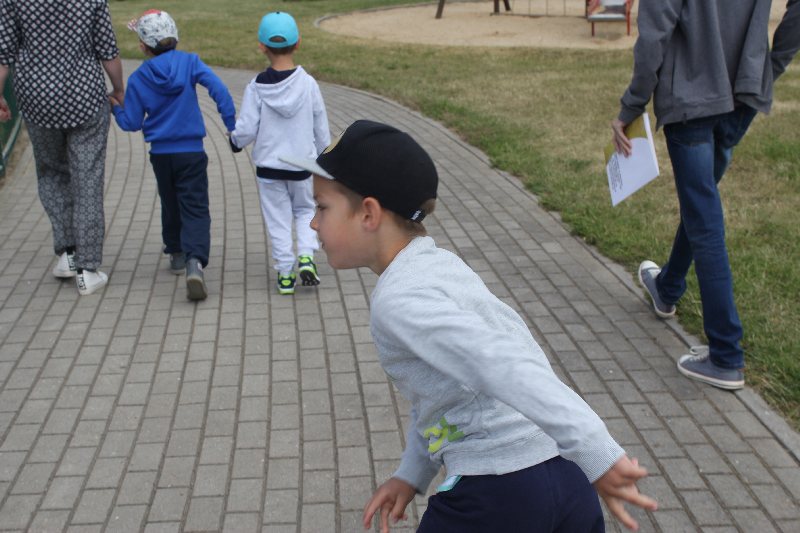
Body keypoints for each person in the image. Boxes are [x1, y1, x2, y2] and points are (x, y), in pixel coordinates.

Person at [282, 120, 657, 533]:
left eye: (321, 207)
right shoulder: (440, 266)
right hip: (566, 477)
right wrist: (411, 473)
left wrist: (598, 452)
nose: (313, 223)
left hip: (498, 494)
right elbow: (441, 394)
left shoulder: (399, 300)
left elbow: (502, 364)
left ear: (368, 213)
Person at [609, 0, 800, 391]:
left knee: (704, 218)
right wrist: (768, 67)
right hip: (742, 91)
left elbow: (654, 34)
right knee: (702, 206)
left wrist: (631, 105)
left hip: (693, 99)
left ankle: (726, 355)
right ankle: (667, 287)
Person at [0, 0, 125, 295]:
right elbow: (108, 50)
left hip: (37, 99)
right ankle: (87, 269)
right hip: (85, 96)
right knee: (87, 179)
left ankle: (67, 253)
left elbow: (3, 53)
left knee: (52, 173)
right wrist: (119, 88)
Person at [110, 10, 237, 301]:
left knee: (170, 202)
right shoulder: (190, 63)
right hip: (191, 151)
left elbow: (131, 123)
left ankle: (177, 253)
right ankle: (195, 261)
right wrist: (231, 125)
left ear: (143, 47)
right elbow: (219, 90)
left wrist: (115, 108)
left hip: (161, 155)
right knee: (195, 206)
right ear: (175, 37)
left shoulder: (139, 77)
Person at [230, 11, 330, 295]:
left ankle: (286, 274)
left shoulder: (256, 87)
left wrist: (236, 141)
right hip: (303, 166)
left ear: (261, 46)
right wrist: (326, 157)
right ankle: (306, 256)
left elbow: (246, 127)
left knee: (277, 219)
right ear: (297, 43)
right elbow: (320, 125)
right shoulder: (308, 84)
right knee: (305, 210)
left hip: (269, 169)